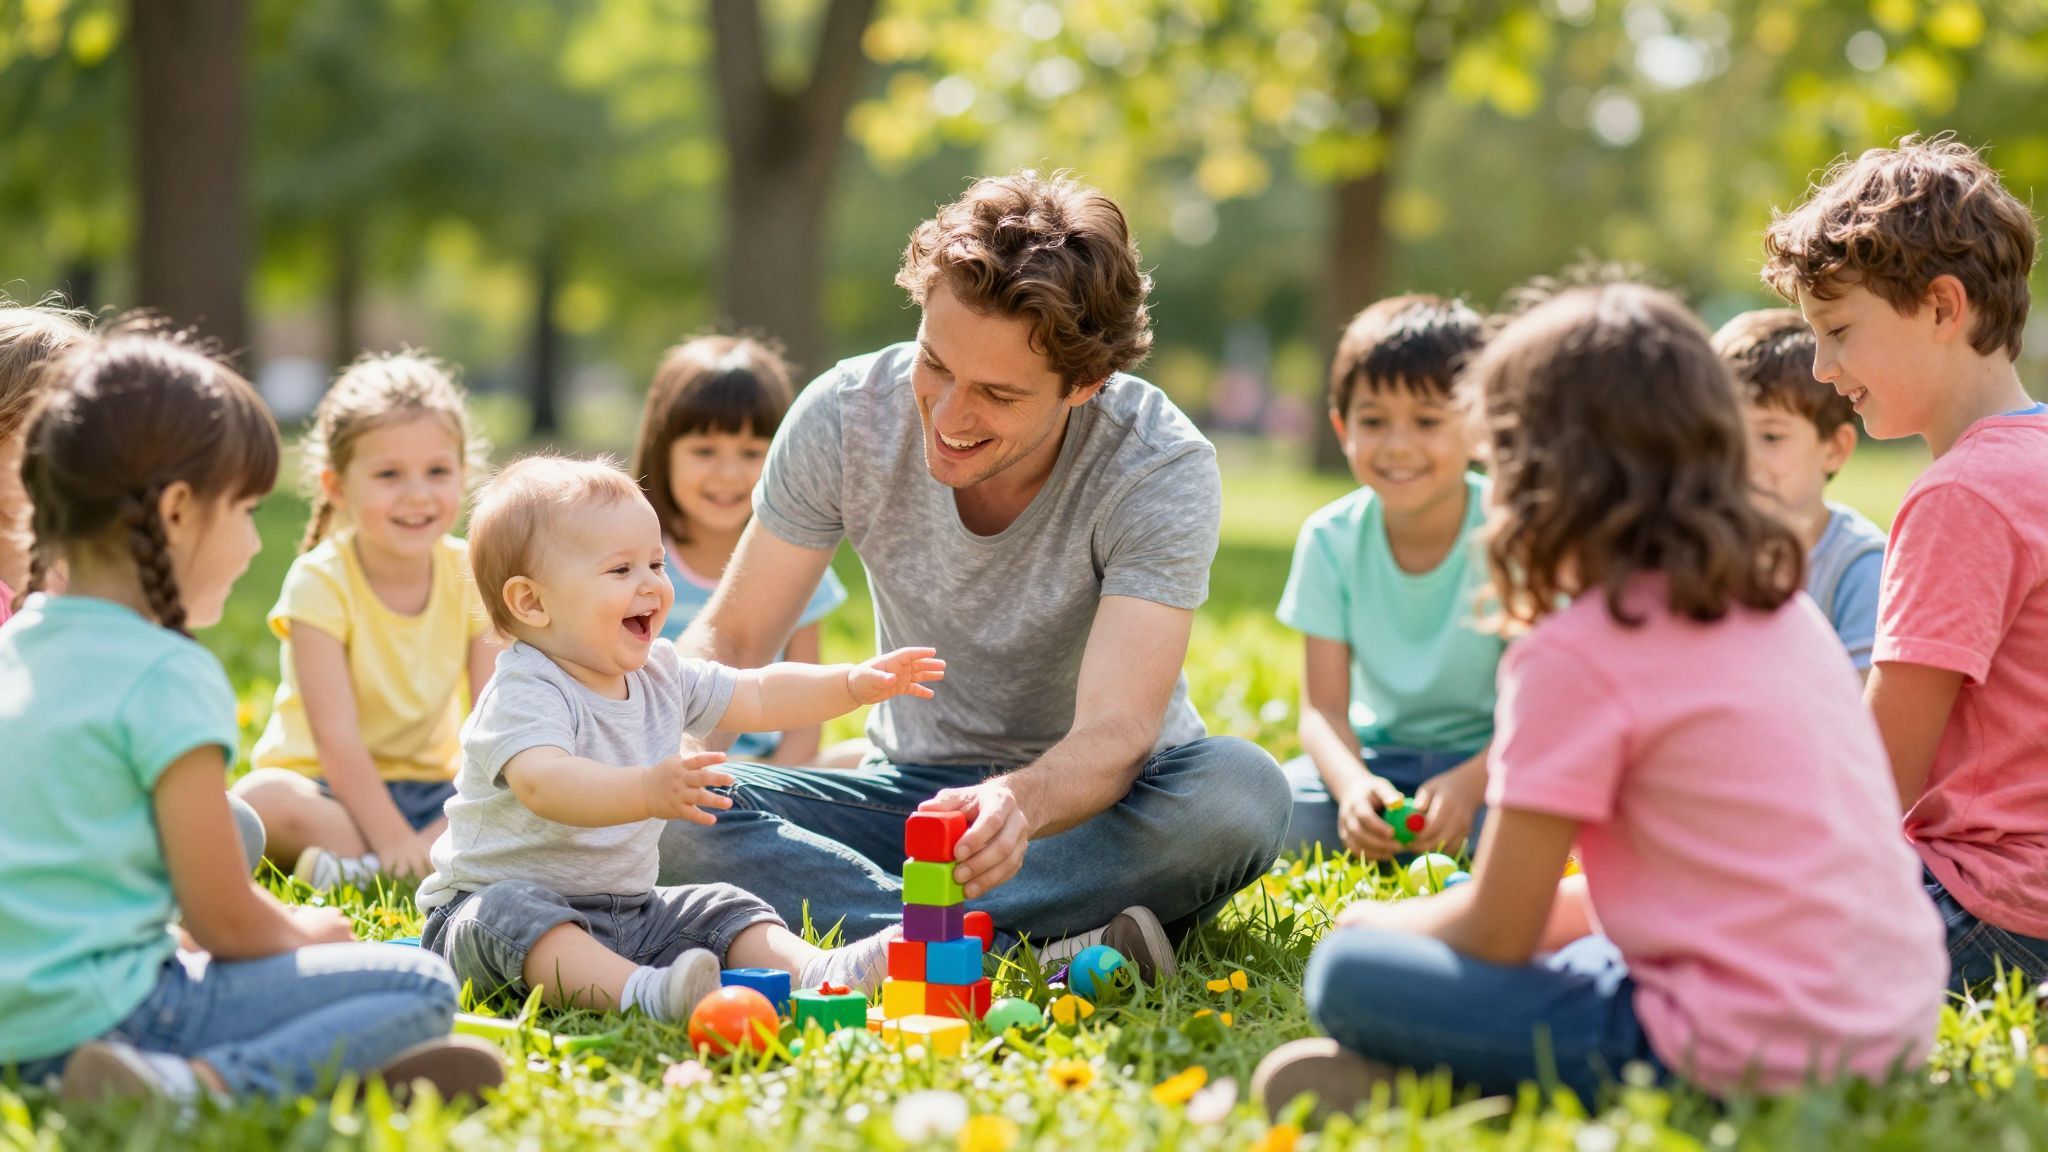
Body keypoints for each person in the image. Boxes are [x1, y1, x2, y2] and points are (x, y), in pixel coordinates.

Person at [1253, 283, 1944, 1120]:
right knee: (1568, 965)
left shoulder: (1577, 652)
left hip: (1740, 1046)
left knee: (1346, 972)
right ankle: (1490, 1079)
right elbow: (1648, 892)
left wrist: (1380, 925)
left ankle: (1504, 1084)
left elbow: (1499, 929)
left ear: (1538, 475)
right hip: (1887, 1023)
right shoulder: (1776, 605)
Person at [656, 170, 1289, 977]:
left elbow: (1119, 730)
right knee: (667, 816)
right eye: (936, 364)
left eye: (995, 393)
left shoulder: (1156, 464)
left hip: (1103, 808)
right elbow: (737, 634)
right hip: (907, 799)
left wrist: (1017, 804)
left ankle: (886, 933)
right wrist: (670, 758)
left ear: (1086, 386)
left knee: (1242, 795)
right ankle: (1028, 939)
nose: (950, 416)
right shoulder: (844, 415)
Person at [0, 327, 500, 1106]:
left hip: (16, 1015)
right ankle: (203, 1084)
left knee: (240, 837)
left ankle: (337, 1071)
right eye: (245, 512)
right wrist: (308, 936)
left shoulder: (19, 643)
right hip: (117, 1013)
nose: (248, 543)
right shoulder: (170, 674)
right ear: (174, 512)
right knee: (421, 981)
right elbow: (227, 922)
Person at [417, 456, 938, 1019]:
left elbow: (758, 693)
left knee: (721, 905)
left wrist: (849, 685)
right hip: (486, 922)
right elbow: (546, 784)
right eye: (621, 571)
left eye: (657, 563)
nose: (652, 586)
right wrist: (645, 790)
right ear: (532, 602)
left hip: (628, 913)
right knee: (513, 913)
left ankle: (820, 971)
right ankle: (644, 994)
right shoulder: (526, 689)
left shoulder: (660, 672)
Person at [1763, 135, 2048, 990]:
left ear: (1940, 306)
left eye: (1838, 330)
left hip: (1979, 911)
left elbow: (1877, 777)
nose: (1822, 368)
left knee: (1700, 920)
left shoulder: (1961, 495)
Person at [232, 354, 497, 888]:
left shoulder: (470, 571)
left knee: (526, 793)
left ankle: (358, 870)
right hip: (327, 787)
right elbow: (337, 739)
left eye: (438, 471)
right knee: (260, 800)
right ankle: (413, 863)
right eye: (389, 474)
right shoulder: (320, 581)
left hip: (432, 792)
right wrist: (397, 842)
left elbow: (491, 719)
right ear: (336, 486)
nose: (418, 493)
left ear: (464, 475)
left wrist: (456, 818)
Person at [1278, 295, 1500, 860]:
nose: (1398, 445)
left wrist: (1469, 787)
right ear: (1341, 426)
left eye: (1427, 421)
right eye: (1374, 421)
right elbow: (1323, 710)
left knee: (1557, 816)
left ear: (1478, 428)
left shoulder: (1513, 534)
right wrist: (1353, 788)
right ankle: (1381, 831)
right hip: (1378, 762)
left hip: (1496, 764)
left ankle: (1456, 833)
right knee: (1268, 808)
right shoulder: (1330, 538)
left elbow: (1546, 710)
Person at [630, 335, 850, 766]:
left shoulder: (801, 566)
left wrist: (779, 786)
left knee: (862, 760)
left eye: (751, 452)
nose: (728, 473)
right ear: (663, 450)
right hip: (658, 766)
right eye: (704, 450)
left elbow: (806, 728)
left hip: (768, 774)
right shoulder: (633, 565)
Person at [1713, 308, 1885, 674]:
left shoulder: (1858, 568)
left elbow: (1861, 717)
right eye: (1727, 434)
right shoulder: (1701, 551)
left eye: (1771, 436)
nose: (1745, 459)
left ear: (1835, 449)